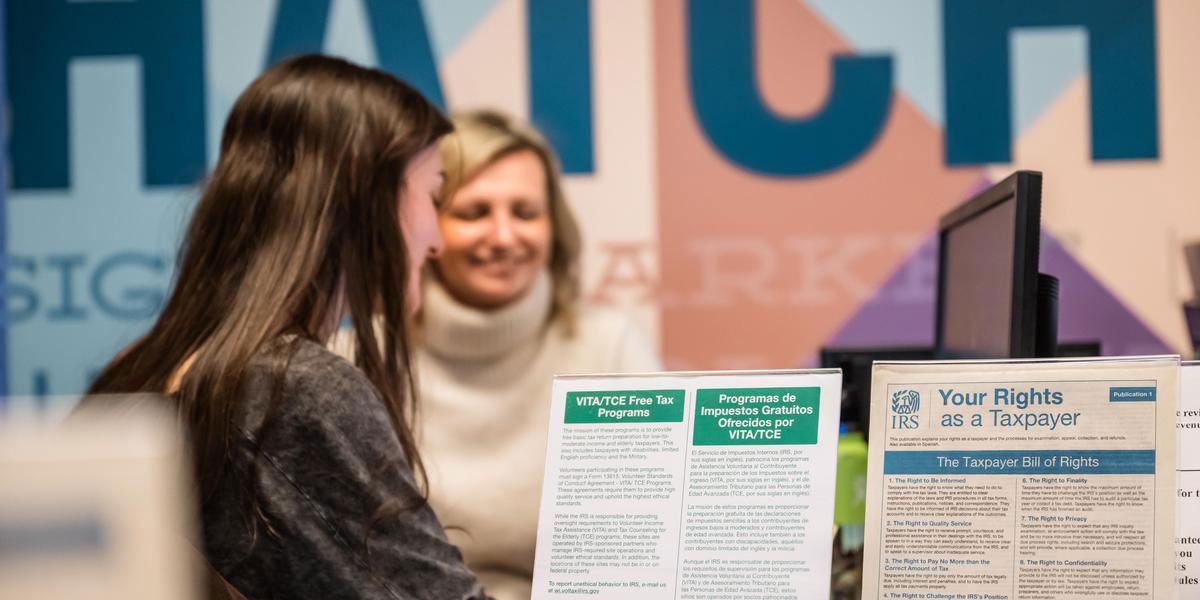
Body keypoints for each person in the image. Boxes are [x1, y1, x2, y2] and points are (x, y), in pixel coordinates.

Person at [82, 55, 491, 600]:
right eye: (433, 196)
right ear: (360, 184)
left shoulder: (138, 369)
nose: (437, 239)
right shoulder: (297, 393)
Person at [335, 110, 661, 599]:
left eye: (526, 213)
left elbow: (656, 536)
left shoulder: (609, 346)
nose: (504, 237)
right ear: (426, 224)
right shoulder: (359, 354)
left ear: (554, 226)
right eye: (474, 213)